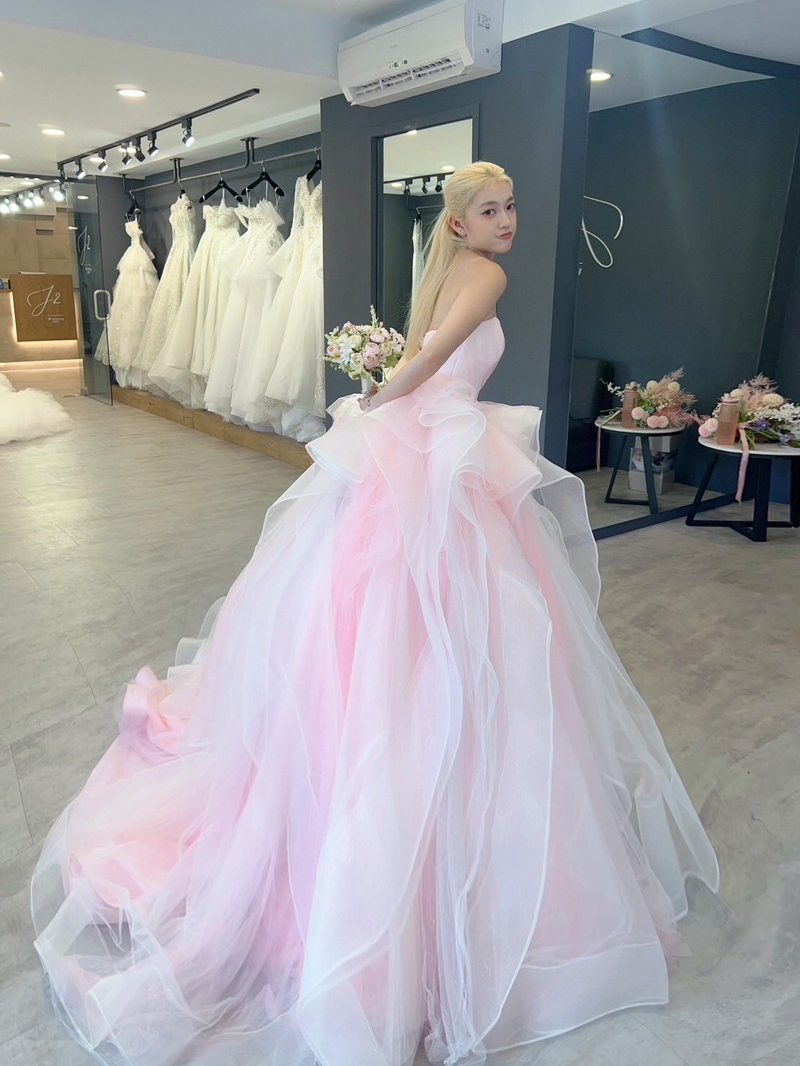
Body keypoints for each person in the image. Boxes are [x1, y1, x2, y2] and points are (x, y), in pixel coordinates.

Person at [32, 162, 719, 1066]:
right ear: (460, 223)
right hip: (438, 451)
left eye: (511, 207)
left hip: (434, 448)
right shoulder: (486, 276)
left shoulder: (451, 272)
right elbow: (431, 360)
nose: (508, 221)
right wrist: (386, 392)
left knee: (396, 626)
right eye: (491, 210)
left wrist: (380, 393)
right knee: (452, 633)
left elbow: (425, 357)